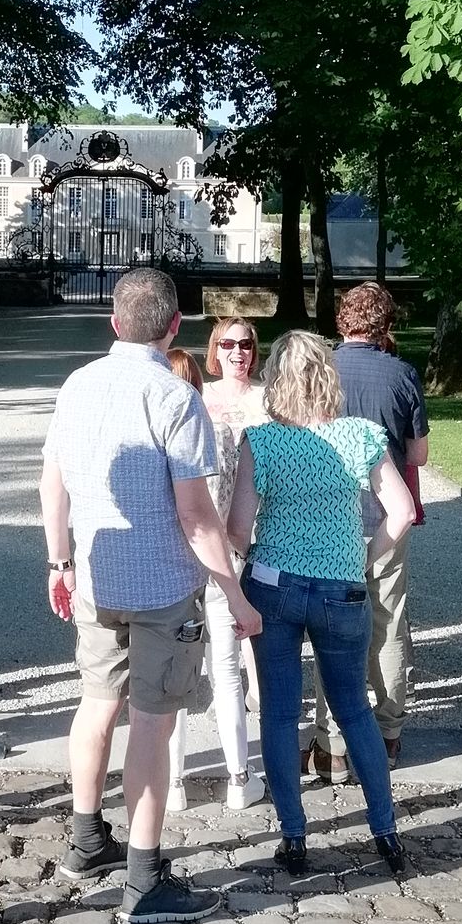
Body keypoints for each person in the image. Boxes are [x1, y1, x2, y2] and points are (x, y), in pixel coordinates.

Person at [40, 268, 261, 924]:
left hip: (96, 575)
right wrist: (234, 592)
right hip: (162, 586)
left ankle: (87, 838)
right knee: (151, 723)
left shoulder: (78, 383)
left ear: (115, 322)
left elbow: (53, 482)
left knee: (96, 702)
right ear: (174, 327)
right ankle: (143, 878)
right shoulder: (175, 397)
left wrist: (59, 560)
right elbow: (196, 515)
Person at [228, 329, 417, 878]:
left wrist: (251, 552)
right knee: (353, 707)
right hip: (342, 588)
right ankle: (385, 830)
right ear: (328, 377)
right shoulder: (361, 435)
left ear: (276, 380)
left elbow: (238, 528)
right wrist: (363, 558)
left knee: (280, 712)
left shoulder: (261, 442)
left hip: (274, 584)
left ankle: (293, 834)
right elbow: (402, 512)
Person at [312, 283, 431, 773]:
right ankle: (387, 734)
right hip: (386, 512)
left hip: (326, 517)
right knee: (387, 621)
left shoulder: (320, 370)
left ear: (342, 320)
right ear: (387, 324)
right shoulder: (402, 374)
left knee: (331, 626)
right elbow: (418, 454)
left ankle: (332, 743)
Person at [166, 331, 266, 814]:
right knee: (226, 674)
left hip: (174, 568)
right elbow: (233, 519)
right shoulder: (225, 436)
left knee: (175, 679)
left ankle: (174, 783)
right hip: (222, 561)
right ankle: (238, 777)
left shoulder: (162, 443)